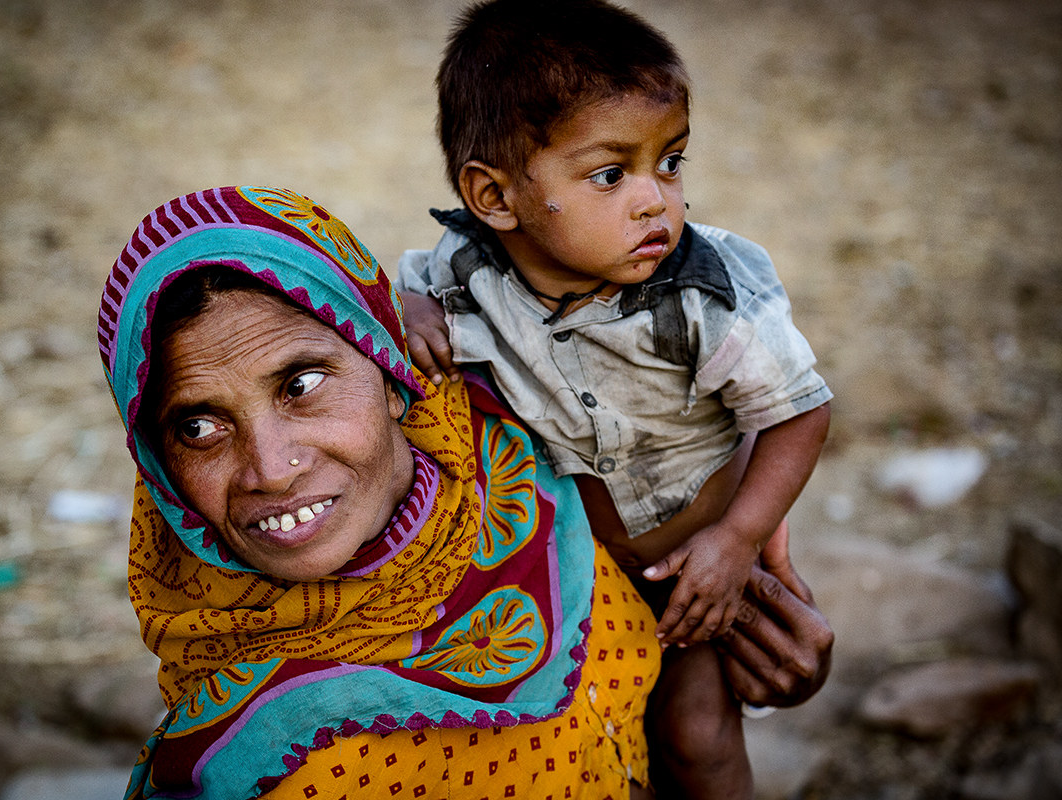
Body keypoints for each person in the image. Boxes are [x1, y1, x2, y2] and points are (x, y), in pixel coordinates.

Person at [100, 186, 832, 799]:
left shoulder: (509, 437)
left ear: (390, 369)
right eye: (198, 427)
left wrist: (755, 653)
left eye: (302, 383)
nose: (270, 469)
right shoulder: (259, 766)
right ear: (159, 468)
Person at [396, 1, 833, 796]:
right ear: (495, 198)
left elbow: (800, 411)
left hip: (693, 574)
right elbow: (401, 292)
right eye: (610, 174)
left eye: (670, 162)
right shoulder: (467, 268)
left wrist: (739, 537)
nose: (655, 200)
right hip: (572, 570)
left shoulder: (704, 294)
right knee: (574, 736)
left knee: (697, 736)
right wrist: (412, 310)